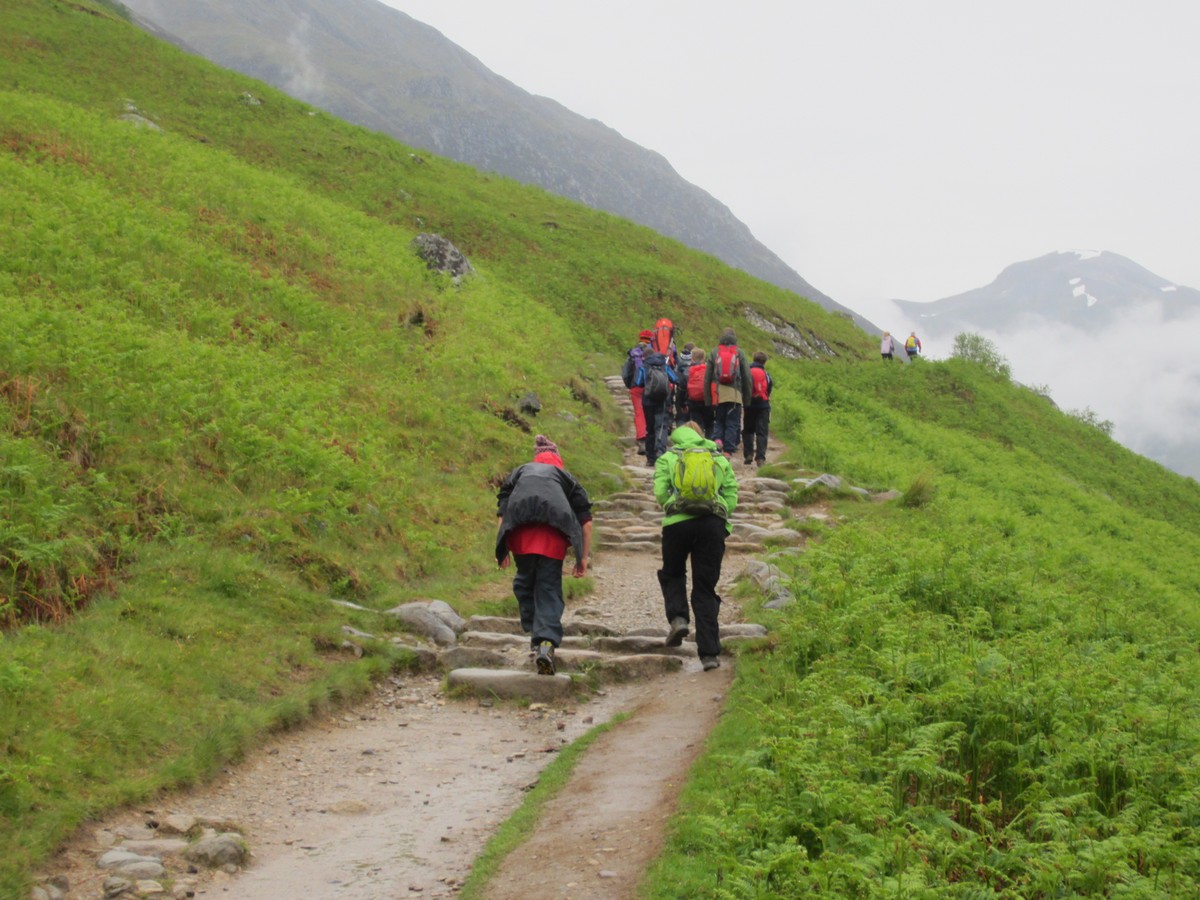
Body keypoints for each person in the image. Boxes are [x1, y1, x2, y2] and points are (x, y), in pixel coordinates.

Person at [495, 435, 593, 676]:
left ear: (536, 459)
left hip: (521, 538)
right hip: (553, 540)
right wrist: (583, 557)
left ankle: (535, 633)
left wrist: (501, 547)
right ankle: (545, 644)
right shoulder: (565, 478)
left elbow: (503, 512)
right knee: (548, 588)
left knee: (524, 584)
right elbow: (586, 521)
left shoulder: (520, 474)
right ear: (558, 459)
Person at [653, 422, 738, 671]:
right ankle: (709, 654)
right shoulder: (717, 458)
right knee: (705, 588)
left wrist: (672, 505)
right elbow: (731, 492)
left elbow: (660, 492)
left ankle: (679, 618)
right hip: (711, 525)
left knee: (672, 573)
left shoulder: (668, 457)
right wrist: (721, 513)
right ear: (702, 436)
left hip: (677, 525)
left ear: (677, 436)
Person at [703, 328, 752, 461]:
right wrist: (747, 399)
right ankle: (728, 451)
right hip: (735, 395)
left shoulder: (714, 352)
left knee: (719, 420)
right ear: (735, 338)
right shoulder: (739, 353)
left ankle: (718, 441)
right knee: (732, 423)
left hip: (718, 394)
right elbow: (747, 377)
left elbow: (707, 378)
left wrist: (708, 399)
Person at [638, 348, 679, 466]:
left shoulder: (644, 366)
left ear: (645, 357)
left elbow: (639, 382)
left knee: (650, 429)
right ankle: (660, 453)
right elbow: (675, 379)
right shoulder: (664, 365)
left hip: (648, 401)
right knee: (661, 427)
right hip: (663, 401)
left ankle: (650, 458)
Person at [621, 329, 655, 455]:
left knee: (639, 413)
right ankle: (653, 438)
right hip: (651, 387)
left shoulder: (633, 354)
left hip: (636, 388)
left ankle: (641, 440)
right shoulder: (654, 353)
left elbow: (626, 373)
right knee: (651, 412)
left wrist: (630, 385)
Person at [742, 352, 773, 467]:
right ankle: (760, 458)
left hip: (749, 405)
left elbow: (743, 386)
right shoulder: (766, 374)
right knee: (762, 432)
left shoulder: (748, 371)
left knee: (748, 430)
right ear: (765, 362)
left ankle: (748, 454)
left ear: (753, 359)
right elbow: (769, 388)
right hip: (763, 405)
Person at [685, 347, 715, 439]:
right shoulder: (709, 370)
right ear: (703, 359)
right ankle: (709, 442)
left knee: (697, 425)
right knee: (710, 424)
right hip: (708, 401)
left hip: (693, 401)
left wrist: (683, 403)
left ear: (692, 358)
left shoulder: (689, 370)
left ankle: (699, 441)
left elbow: (683, 387)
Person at [674, 342, 695, 426]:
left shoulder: (679, 362)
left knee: (681, 416)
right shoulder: (695, 363)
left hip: (680, 390)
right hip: (693, 393)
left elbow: (675, 376)